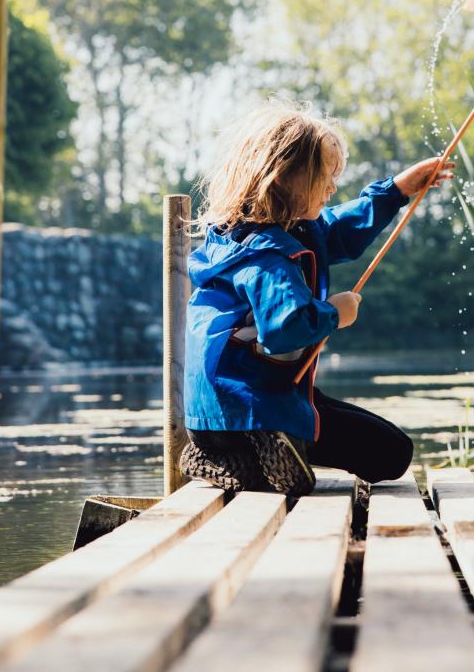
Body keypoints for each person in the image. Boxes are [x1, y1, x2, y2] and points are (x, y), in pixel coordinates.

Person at [181, 101, 454, 496]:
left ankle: (262, 451)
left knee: (388, 444)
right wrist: (334, 314)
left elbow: (340, 230)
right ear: (287, 177)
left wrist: (396, 191)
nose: (333, 187)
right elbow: (286, 327)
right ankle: (249, 458)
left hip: (218, 412)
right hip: (250, 408)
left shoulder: (253, 236)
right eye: (326, 175)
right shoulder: (266, 255)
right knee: (392, 455)